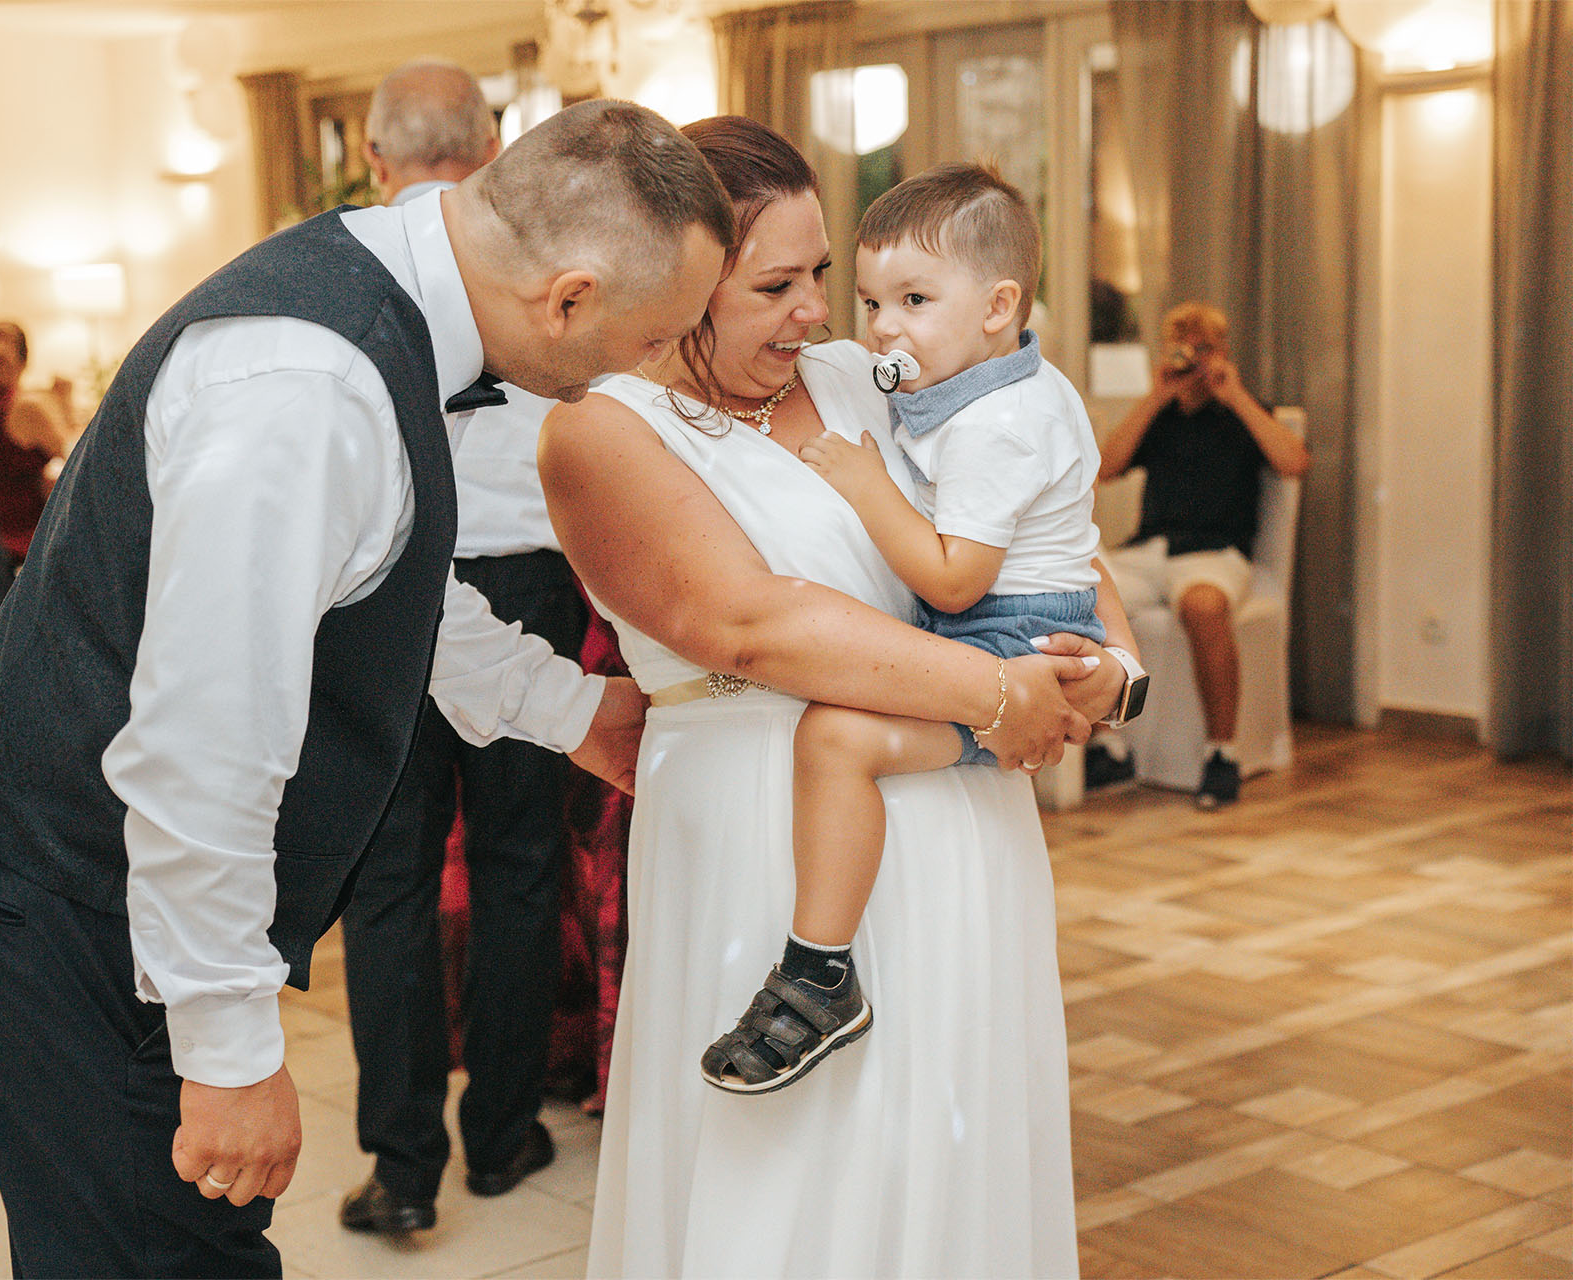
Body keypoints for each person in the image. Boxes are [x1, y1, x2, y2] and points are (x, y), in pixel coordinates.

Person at [0, 100, 731, 1279]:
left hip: (112, 871)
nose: (646, 369)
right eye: (652, 338)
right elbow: (204, 737)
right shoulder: (307, 387)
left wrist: (571, 711)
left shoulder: (389, 299)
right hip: (62, 880)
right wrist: (228, 1048)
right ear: (569, 297)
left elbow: (384, 579)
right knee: (157, 1258)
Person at [541, 117, 1129, 1277]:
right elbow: (748, 623)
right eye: (776, 285)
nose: (817, 311)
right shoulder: (598, 432)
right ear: (676, 280)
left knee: (944, 1135)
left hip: (959, 807)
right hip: (759, 821)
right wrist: (998, 691)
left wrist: (1113, 661)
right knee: (787, 1171)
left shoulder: (871, 375)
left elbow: (1042, 517)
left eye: (821, 273)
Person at [696, 161, 1141, 1096]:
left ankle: (818, 972)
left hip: (1003, 635)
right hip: (1007, 627)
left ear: (999, 306)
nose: (877, 329)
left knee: (837, 741)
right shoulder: (993, 384)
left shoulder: (994, 423)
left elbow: (954, 575)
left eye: (912, 301)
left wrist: (865, 487)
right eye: (870, 301)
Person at [336, 60, 584, 1236]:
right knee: (518, 863)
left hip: (382, 589)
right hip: (528, 578)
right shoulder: (536, 255)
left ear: (373, 154)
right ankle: (502, 1133)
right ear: (489, 147)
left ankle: (401, 1165)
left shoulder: (346, 260)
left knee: (386, 879)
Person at [1089, 301, 1310, 807]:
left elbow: (1294, 462)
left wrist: (1235, 395)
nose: (1193, 359)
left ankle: (1222, 753)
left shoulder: (1245, 413)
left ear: (1223, 351)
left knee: (1203, 607)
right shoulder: (1161, 415)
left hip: (1216, 553)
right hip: (1152, 551)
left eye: (1203, 348)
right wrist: (1155, 396)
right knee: (1086, 595)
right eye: (1183, 349)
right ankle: (1107, 746)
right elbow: (1105, 467)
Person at [0, 321, 78, 563]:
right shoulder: (24, 407)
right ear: (23, 358)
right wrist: (66, 401)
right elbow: (75, 456)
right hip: (23, 532)